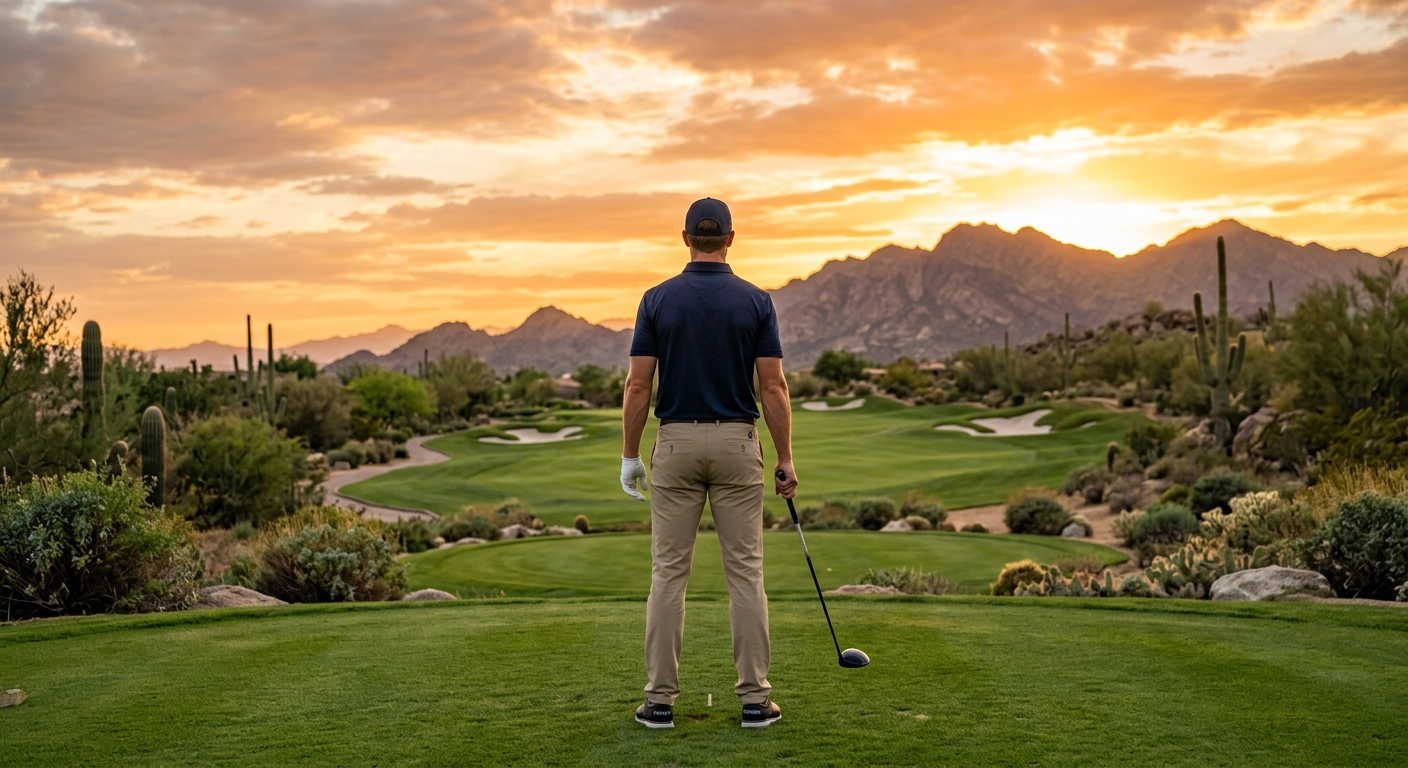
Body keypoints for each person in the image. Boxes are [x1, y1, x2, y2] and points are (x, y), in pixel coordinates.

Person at [620, 197, 798, 730]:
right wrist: (785, 457)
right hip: (738, 444)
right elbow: (773, 386)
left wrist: (630, 455)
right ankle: (753, 700)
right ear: (731, 238)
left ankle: (658, 702)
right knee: (745, 573)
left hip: (673, 444)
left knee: (668, 575)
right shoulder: (756, 301)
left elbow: (637, 384)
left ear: (684, 239)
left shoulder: (655, 299)